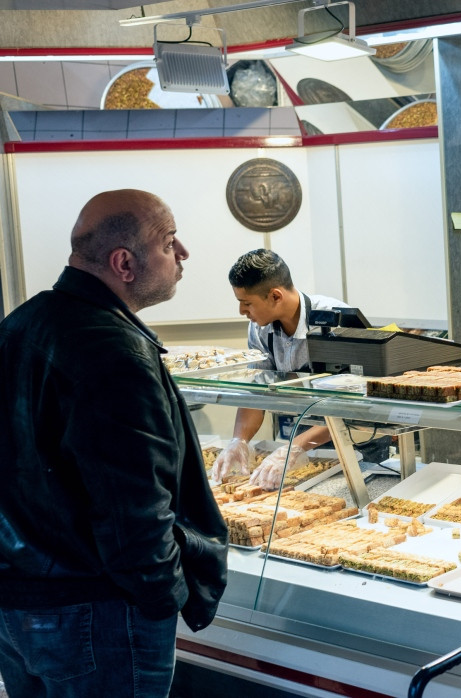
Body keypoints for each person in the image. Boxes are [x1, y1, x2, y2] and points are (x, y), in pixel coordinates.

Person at [0, 189, 228, 697]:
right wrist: (164, 599)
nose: (184, 253)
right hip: (94, 611)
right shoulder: (113, 352)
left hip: (19, 601)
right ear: (124, 262)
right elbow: (135, 510)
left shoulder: (22, 323)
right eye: (170, 242)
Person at [212, 249, 348, 489]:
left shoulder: (337, 319)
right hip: (303, 439)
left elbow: (351, 408)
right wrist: (239, 439)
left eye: (246, 304)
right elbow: (256, 392)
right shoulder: (259, 329)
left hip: (353, 444)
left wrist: (295, 447)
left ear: (275, 296)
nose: (242, 312)